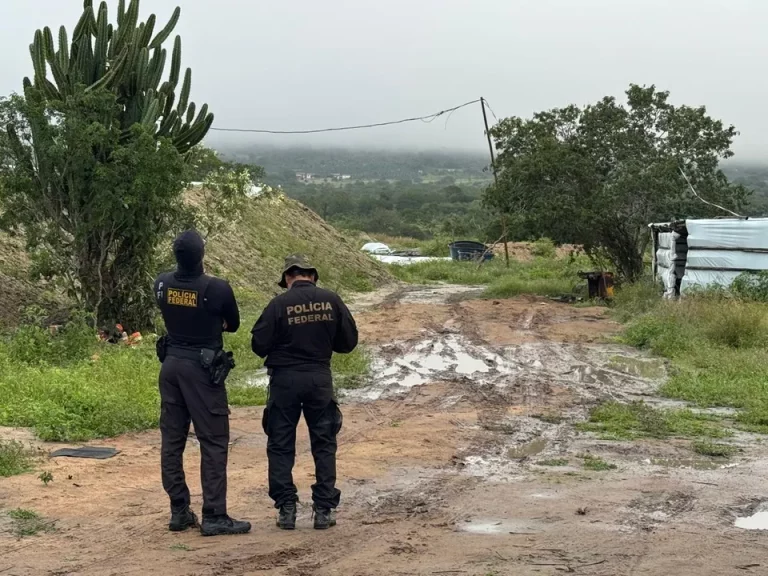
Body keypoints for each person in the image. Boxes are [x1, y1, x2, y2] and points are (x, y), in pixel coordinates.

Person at [154, 230, 251, 537]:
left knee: (172, 441)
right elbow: (233, 324)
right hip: (202, 369)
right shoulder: (216, 288)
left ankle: (179, 511)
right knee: (213, 440)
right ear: (202, 255)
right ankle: (214, 515)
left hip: (171, 366)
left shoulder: (161, 283)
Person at [251, 254, 358, 530]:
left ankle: (286, 509)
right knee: (324, 443)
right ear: (312, 276)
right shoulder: (331, 300)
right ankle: (323, 510)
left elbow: (258, 344)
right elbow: (348, 343)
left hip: (284, 381)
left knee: (280, 444)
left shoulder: (278, 304)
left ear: (288, 277)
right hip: (319, 379)